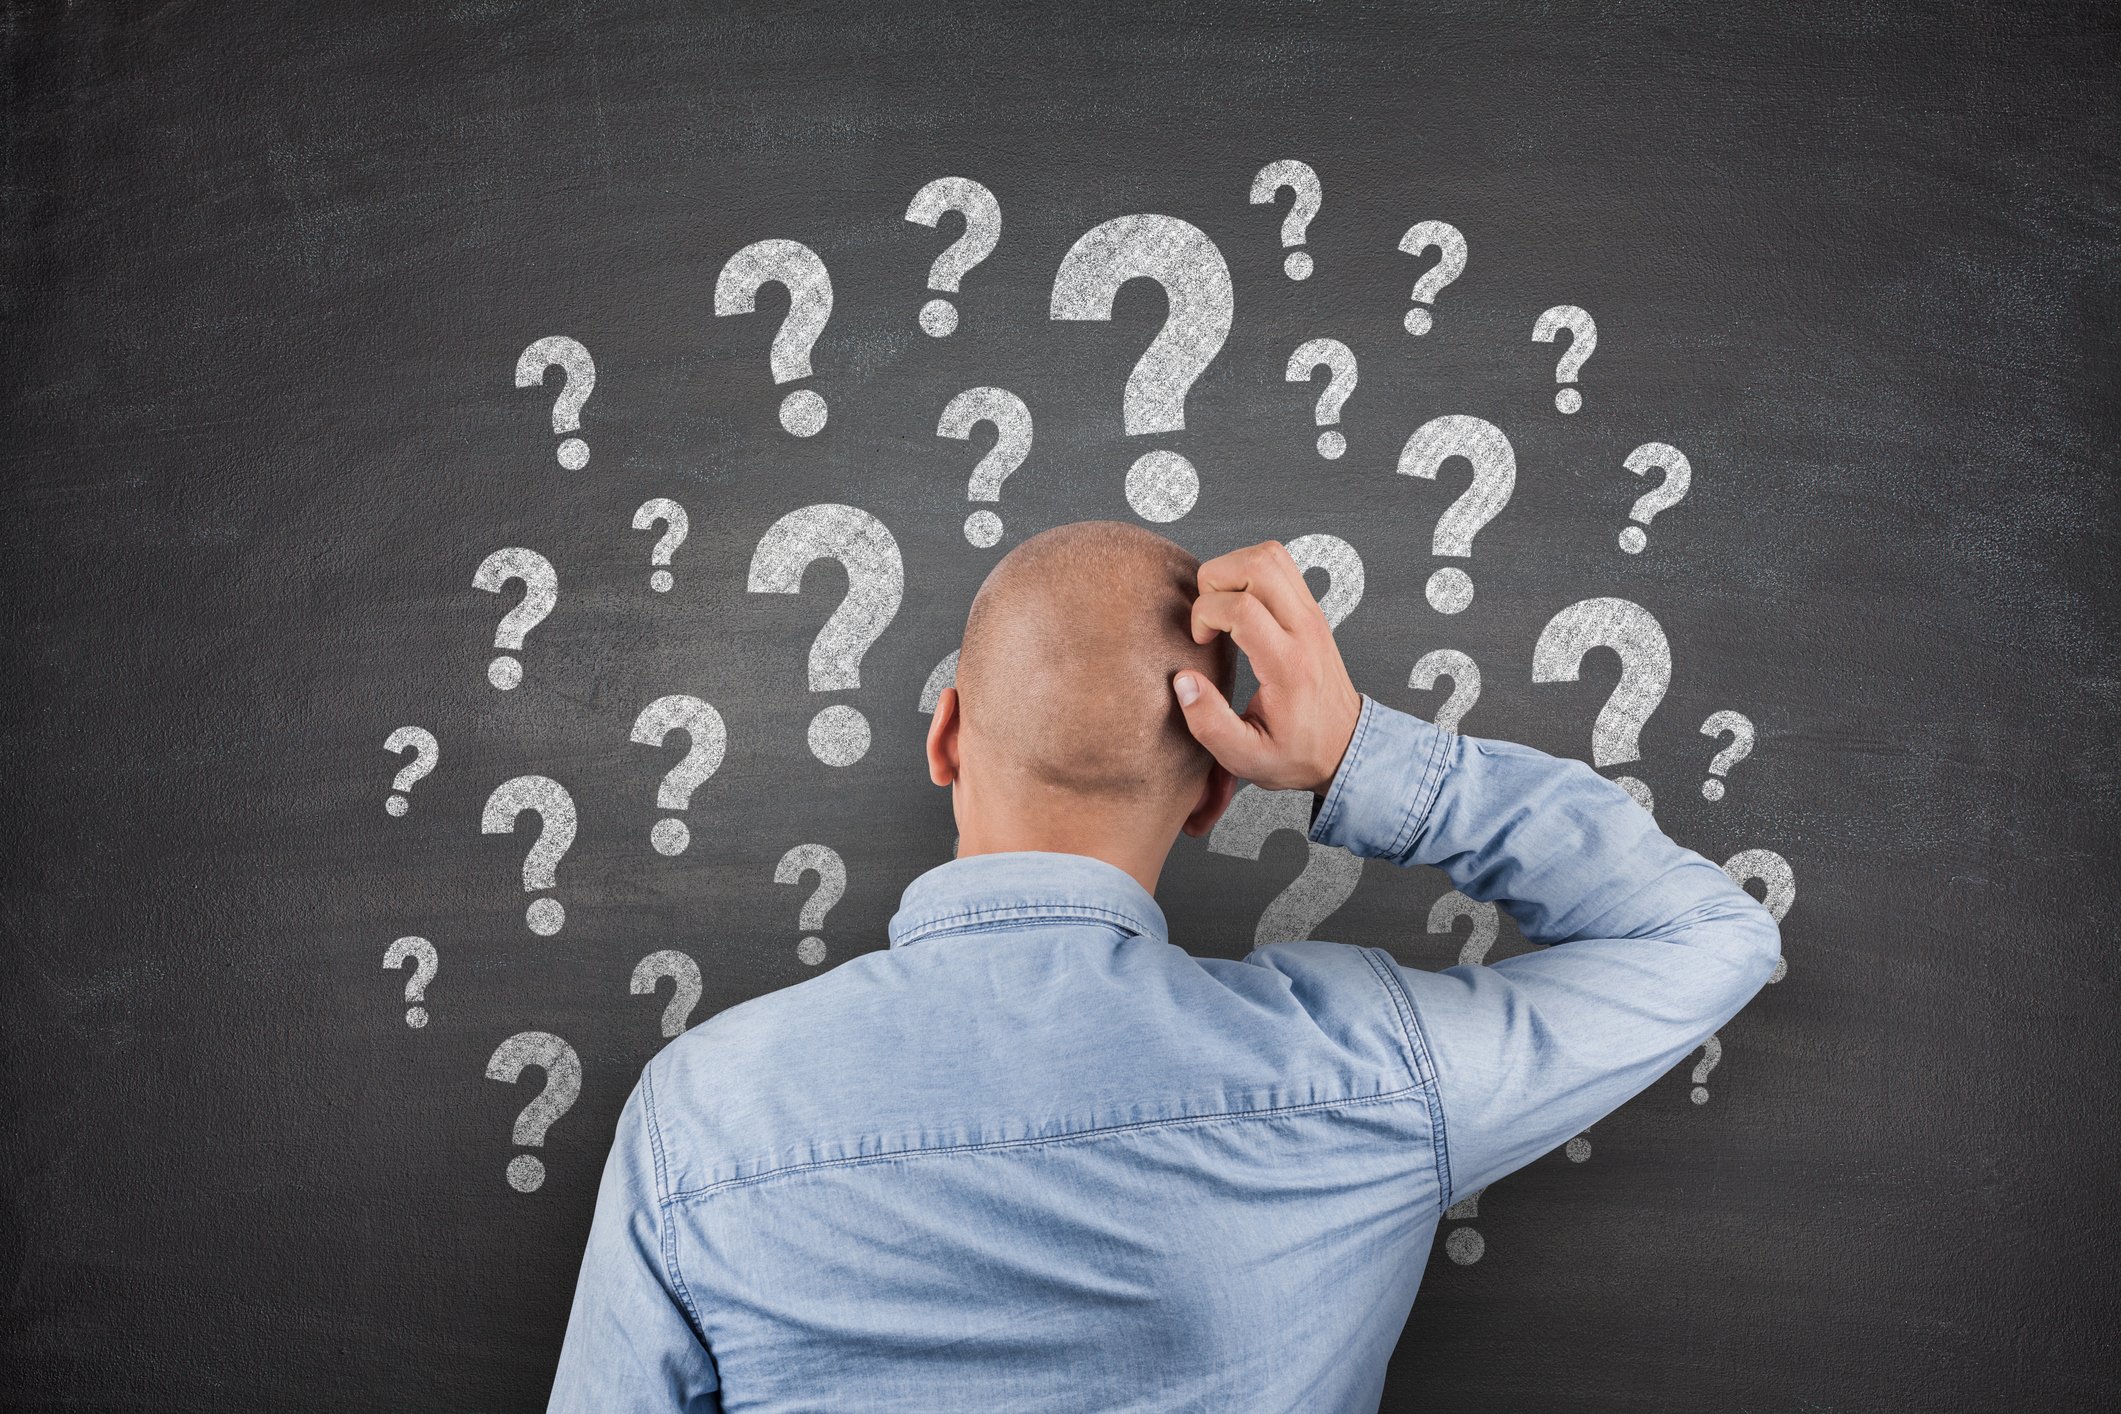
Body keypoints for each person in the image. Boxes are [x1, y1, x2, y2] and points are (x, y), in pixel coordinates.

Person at [549, 522, 1781, 1413]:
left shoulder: (695, 1113)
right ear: (1214, 798)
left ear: (945, 736)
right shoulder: (1366, 1064)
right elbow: (1707, 934)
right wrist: (1357, 753)